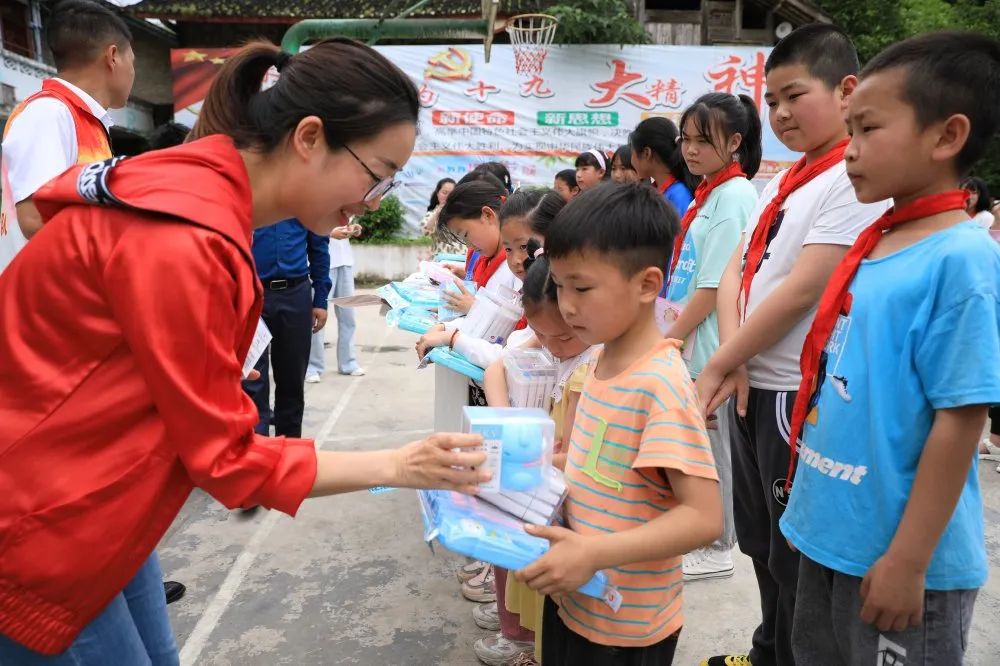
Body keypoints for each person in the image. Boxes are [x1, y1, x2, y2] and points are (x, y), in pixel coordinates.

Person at [0, 38, 488, 663]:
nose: (370, 203)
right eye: (376, 177)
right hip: (39, 525)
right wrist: (400, 465)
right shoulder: (185, 239)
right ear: (309, 138)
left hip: (90, 502)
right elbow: (226, 461)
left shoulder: (188, 195)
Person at [779, 31, 1000, 664]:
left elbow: (962, 418)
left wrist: (908, 560)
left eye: (868, 130)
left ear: (946, 136)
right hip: (830, 538)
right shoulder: (875, 242)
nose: (849, 152)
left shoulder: (963, 259)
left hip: (899, 563)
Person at [695, 24, 890, 666]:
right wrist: (734, 358)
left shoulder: (852, 182)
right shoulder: (786, 179)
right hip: (756, 381)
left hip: (795, 396)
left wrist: (724, 362)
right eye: (770, 101)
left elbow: (805, 288)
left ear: (847, 91)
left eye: (793, 95)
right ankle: (766, 648)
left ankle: (786, 654)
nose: (777, 114)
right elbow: (737, 272)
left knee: (793, 555)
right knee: (759, 543)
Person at [514, 182, 723, 665]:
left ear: (648, 284)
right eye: (560, 286)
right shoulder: (602, 361)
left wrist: (594, 554)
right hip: (577, 600)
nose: (566, 305)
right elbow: (601, 465)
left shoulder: (660, 386)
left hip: (626, 628)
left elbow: (703, 516)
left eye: (581, 287)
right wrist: (543, 462)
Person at [664, 92, 761, 582]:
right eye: (686, 138)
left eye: (704, 140)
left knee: (714, 452)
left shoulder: (736, 196)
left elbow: (713, 284)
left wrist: (670, 338)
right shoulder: (709, 194)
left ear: (736, 142)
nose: (690, 149)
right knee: (699, 446)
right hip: (690, 339)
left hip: (707, 348)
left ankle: (719, 544)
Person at [480, 248, 593, 666]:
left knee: (557, 588)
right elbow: (496, 367)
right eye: (543, 335)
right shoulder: (544, 337)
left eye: (564, 336)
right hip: (536, 476)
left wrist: (533, 453)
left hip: (564, 490)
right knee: (528, 577)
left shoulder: (592, 362)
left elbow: (580, 454)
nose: (553, 346)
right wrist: (506, 420)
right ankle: (529, 642)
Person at [0, 0, 135, 272]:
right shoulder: (49, 113)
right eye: (132, 61)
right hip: (40, 305)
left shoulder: (80, 119)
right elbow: (36, 218)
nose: (133, 72)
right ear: (112, 57)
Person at [243, 218, 331, 438]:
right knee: (253, 383)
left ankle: (290, 455)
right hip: (253, 296)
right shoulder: (253, 199)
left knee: (292, 383)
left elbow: (319, 248)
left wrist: (320, 299)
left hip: (295, 295)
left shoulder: (302, 202)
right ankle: (258, 455)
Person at [306, 222, 365, 383]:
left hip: (345, 262)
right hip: (322, 266)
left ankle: (348, 363)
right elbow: (308, 227)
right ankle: (312, 366)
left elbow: (349, 224)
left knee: (348, 316)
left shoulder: (342, 202)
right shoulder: (315, 203)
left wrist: (354, 229)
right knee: (317, 318)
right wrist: (330, 233)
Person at [630, 117, 697, 216]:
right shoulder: (659, 191)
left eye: (632, 152)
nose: (631, 160)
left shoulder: (678, 195)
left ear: (646, 153)